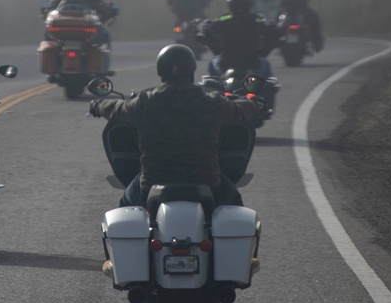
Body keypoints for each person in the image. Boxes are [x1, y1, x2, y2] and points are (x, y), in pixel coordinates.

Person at [88, 44, 263, 209]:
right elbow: (240, 111)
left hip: (152, 183)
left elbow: (116, 109)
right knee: (234, 202)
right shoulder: (212, 103)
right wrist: (254, 104)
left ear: (161, 71)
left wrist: (98, 105)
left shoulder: (145, 103)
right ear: (192, 70)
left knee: (127, 204)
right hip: (207, 181)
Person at [196, 0, 281, 79]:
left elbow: (210, 27)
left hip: (226, 63)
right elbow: (268, 26)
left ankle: (216, 88)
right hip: (252, 63)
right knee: (265, 64)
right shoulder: (257, 19)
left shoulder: (225, 19)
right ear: (250, 4)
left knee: (213, 62)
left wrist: (202, 25)